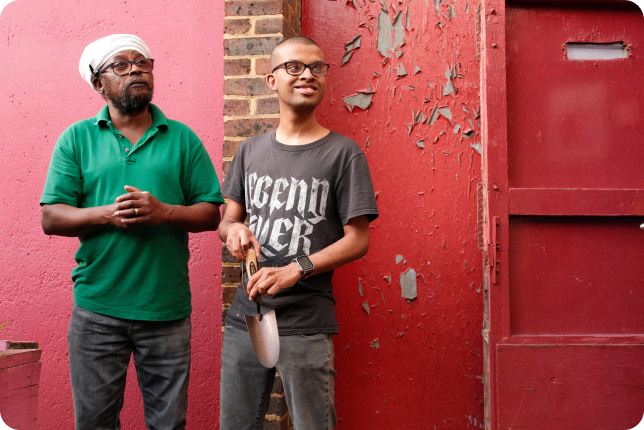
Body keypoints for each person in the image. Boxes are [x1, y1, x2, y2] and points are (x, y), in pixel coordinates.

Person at [40, 34, 224, 429]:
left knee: (168, 424)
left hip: (167, 310)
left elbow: (211, 214)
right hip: (97, 309)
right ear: (98, 84)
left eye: (142, 63)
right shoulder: (77, 138)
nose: (135, 70)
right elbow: (51, 218)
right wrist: (107, 214)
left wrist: (165, 212)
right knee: (94, 422)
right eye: (120, 66)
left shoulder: (183, 139)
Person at [218, 36, 379, 430]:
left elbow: (358, 239)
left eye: (317, 67)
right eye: (294, 67)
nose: (308, 74)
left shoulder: (344, 154)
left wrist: (298, 268)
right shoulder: (250, 151)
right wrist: (234, 230)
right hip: (247, 316)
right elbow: (226, 220)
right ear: (272, 80)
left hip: (307, 322)